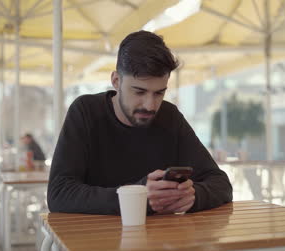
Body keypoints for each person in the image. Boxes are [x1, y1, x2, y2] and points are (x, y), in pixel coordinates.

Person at [47, 30, 232, 217]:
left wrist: (194, 197)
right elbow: (59, 194)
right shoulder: (85, 112)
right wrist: (138, 196)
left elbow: (220, 183)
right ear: (116, 81)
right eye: (139, 92)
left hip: (159, 242)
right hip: (92, 241)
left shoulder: (170, 117)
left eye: (159, 93)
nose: (150, 105)